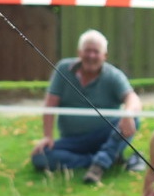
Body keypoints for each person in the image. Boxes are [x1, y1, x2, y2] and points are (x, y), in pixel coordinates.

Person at [31, 29, 144, 185]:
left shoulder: (113, 75)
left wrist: (128, 114)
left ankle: (101, 162)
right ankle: (104, 159)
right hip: (73, 141)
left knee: (135, 120)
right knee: (40, 156)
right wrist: (48, 137)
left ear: (104, 56)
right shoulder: (63, 69)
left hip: (104, 136)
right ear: (79, 52)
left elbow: (133, 98)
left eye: (96, 52)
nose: (91, 56)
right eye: (87, 51)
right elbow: (50, 104)